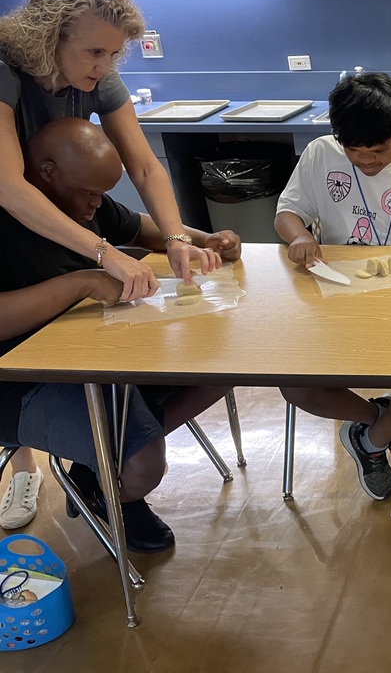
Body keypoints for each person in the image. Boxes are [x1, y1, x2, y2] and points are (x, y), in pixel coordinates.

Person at [0, 0, 225, 519]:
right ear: (49, 36)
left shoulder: (95, 87)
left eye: (113, 55)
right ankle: (74, 463)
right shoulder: (7, 73)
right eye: (94, 52)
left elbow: (145, 166)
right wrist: (103, 256)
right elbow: (10, 185)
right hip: (19, 246)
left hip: (56, 247)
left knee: (202, 365)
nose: (104, 68)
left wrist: (177, 237)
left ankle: (104, 466)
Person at [0, 117, 240, 551]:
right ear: (46, 171)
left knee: (226, 364)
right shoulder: (8, 216)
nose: (96, 205)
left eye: (102, 194)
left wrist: (201, 239)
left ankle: (102, 470)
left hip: (89, 353)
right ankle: (114, 487)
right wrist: (83, 282)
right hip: (19, 380)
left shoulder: (84, 202)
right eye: (88, 194)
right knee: (144, 467)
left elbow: (142, 230)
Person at [275, 71, 391, 501]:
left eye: (378, 151)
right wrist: (300, 236)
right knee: (296, 384)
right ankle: (381, 420)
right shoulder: (319, 155)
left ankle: (371, 442)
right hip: (336, 295)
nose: (365, 161)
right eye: (355, 151)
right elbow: (288, 212)